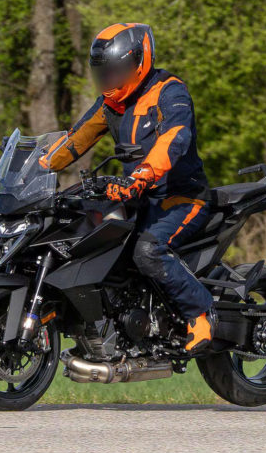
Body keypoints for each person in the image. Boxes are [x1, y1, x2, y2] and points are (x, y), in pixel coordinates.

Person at [39, 23, 217, 352]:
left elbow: (174, 138)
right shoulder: (111, 104)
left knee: (148, 250)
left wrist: (142, 174)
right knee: (89, 243)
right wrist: (40, 165)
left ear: (139, 61)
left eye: (114, 72)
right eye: (103, 73)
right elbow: (76, 139)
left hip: (180, 197)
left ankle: (201, 314)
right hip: (138, 199)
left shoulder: (170, 92)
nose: (109, 80)